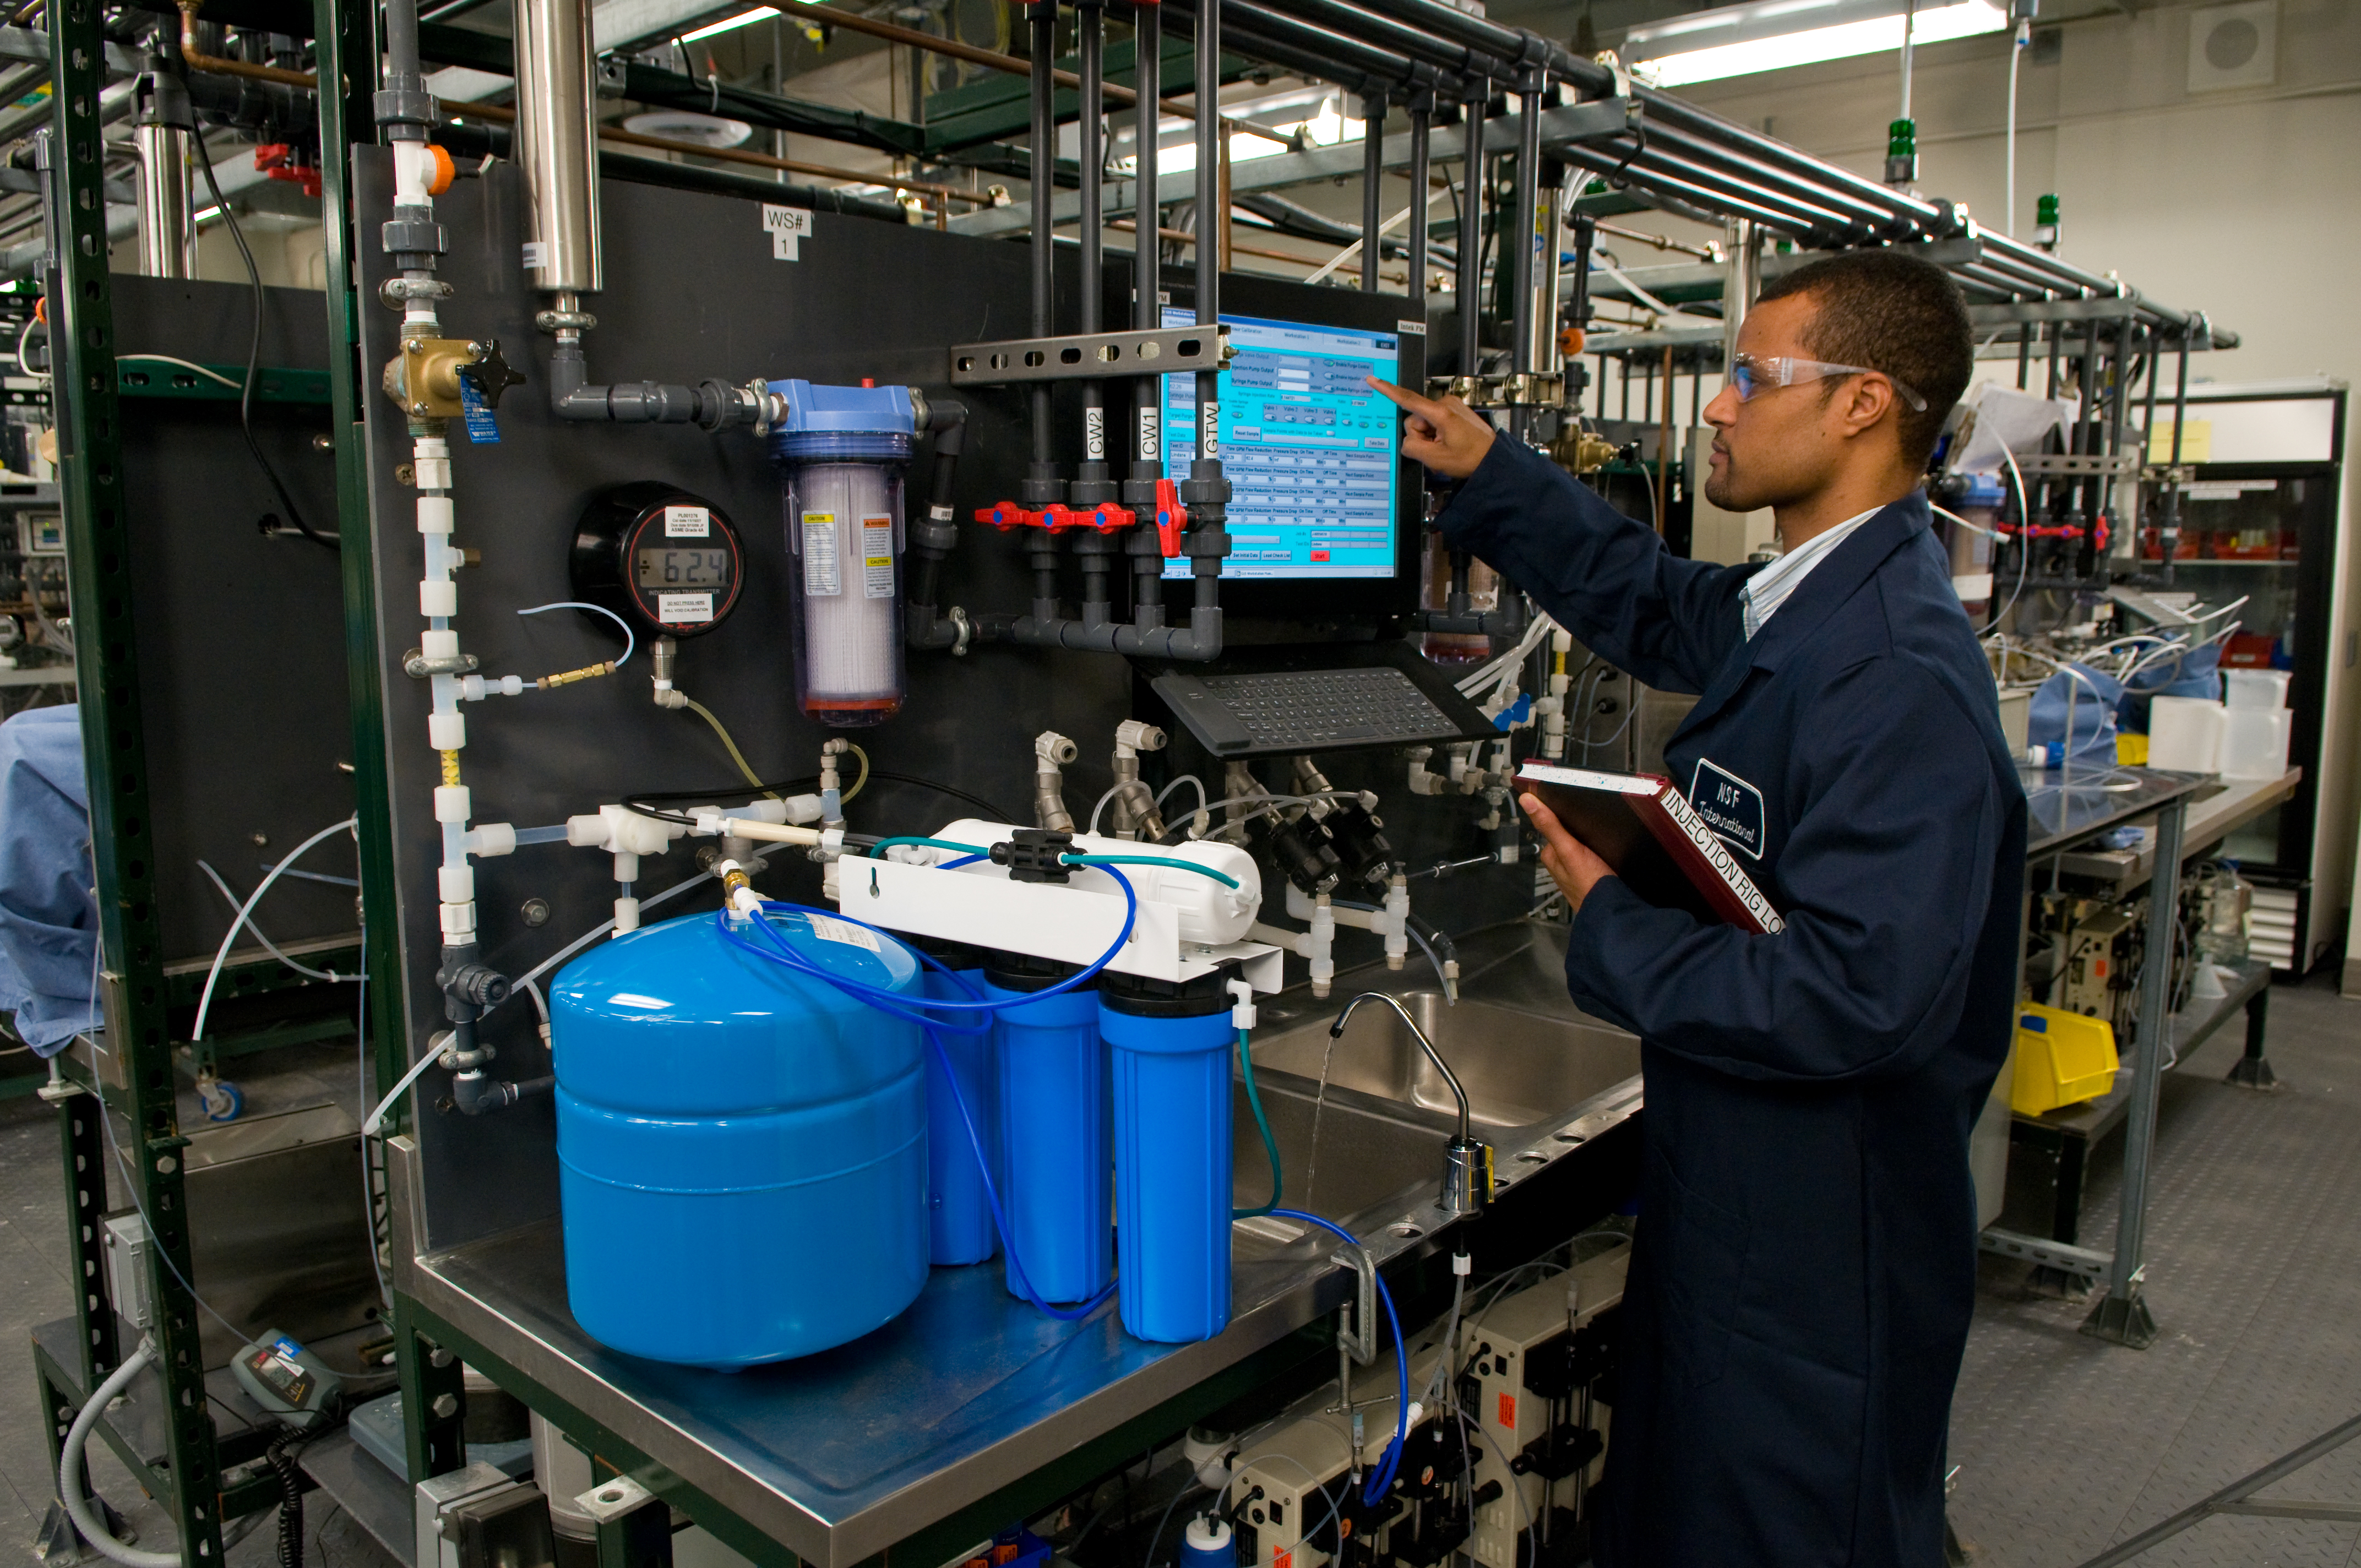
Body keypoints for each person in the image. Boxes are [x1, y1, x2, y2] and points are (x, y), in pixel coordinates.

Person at [1372, 249, 2027, 1567]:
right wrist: (1493, 471)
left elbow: (1859, 995)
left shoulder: (1892, 672)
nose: (1716, 409)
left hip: (1817, 1261)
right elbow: (1658, 601)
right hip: (1738, 1192)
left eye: (1748, 376)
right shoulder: (1810, 601)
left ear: (1860, 405)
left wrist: (1607, 915)